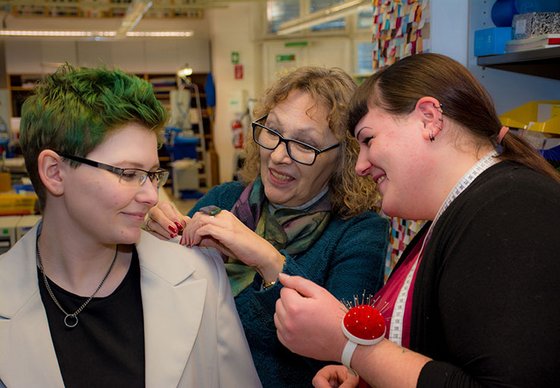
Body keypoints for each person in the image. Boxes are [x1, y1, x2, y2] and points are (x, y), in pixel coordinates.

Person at [274, 53, 560, 387]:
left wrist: (349, 347)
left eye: (368, 140)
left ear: (429, 119)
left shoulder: (513, 207)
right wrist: (368, 376)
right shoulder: (463, 211)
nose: (360, 166)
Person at [0, 65, 261, 388]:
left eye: (152, 174)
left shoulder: (200, 275)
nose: (152, 196)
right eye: (127, 173)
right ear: (54, 172)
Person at [145, 66, 389, 387]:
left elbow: (338, 355)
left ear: (344, 156)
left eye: (304, 144)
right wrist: (154, 234)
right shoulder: (226, 198)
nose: (276, 156)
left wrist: (268, 260)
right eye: (272, 131)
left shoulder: (360, 233)